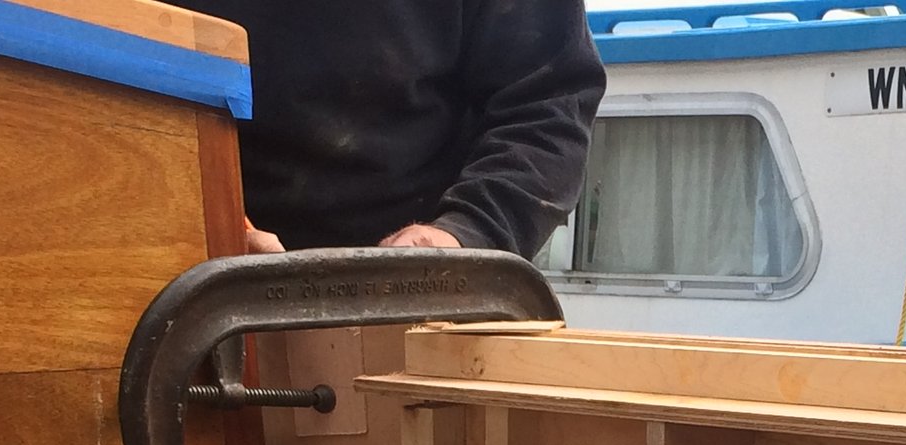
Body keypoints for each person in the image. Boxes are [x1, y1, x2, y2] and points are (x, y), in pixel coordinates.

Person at [182, 0, 606, 259]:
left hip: (422, 297)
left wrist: (466, 234)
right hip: (194, 280)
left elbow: (547, 104)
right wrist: (220, 226)